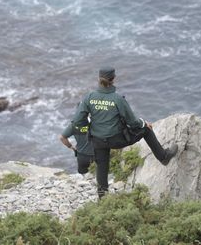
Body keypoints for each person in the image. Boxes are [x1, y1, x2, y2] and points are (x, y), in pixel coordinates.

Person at [72, 66, 178, 198]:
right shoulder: (118, 99)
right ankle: (163, 157)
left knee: (102, 164)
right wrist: (144, 123)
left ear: (98, 79)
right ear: (114, 79)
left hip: (98, 140)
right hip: (117, 140)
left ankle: (103, 196)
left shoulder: (89, 98)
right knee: (146, 130)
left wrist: (90, 128)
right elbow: (133, 122)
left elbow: (77, 121)